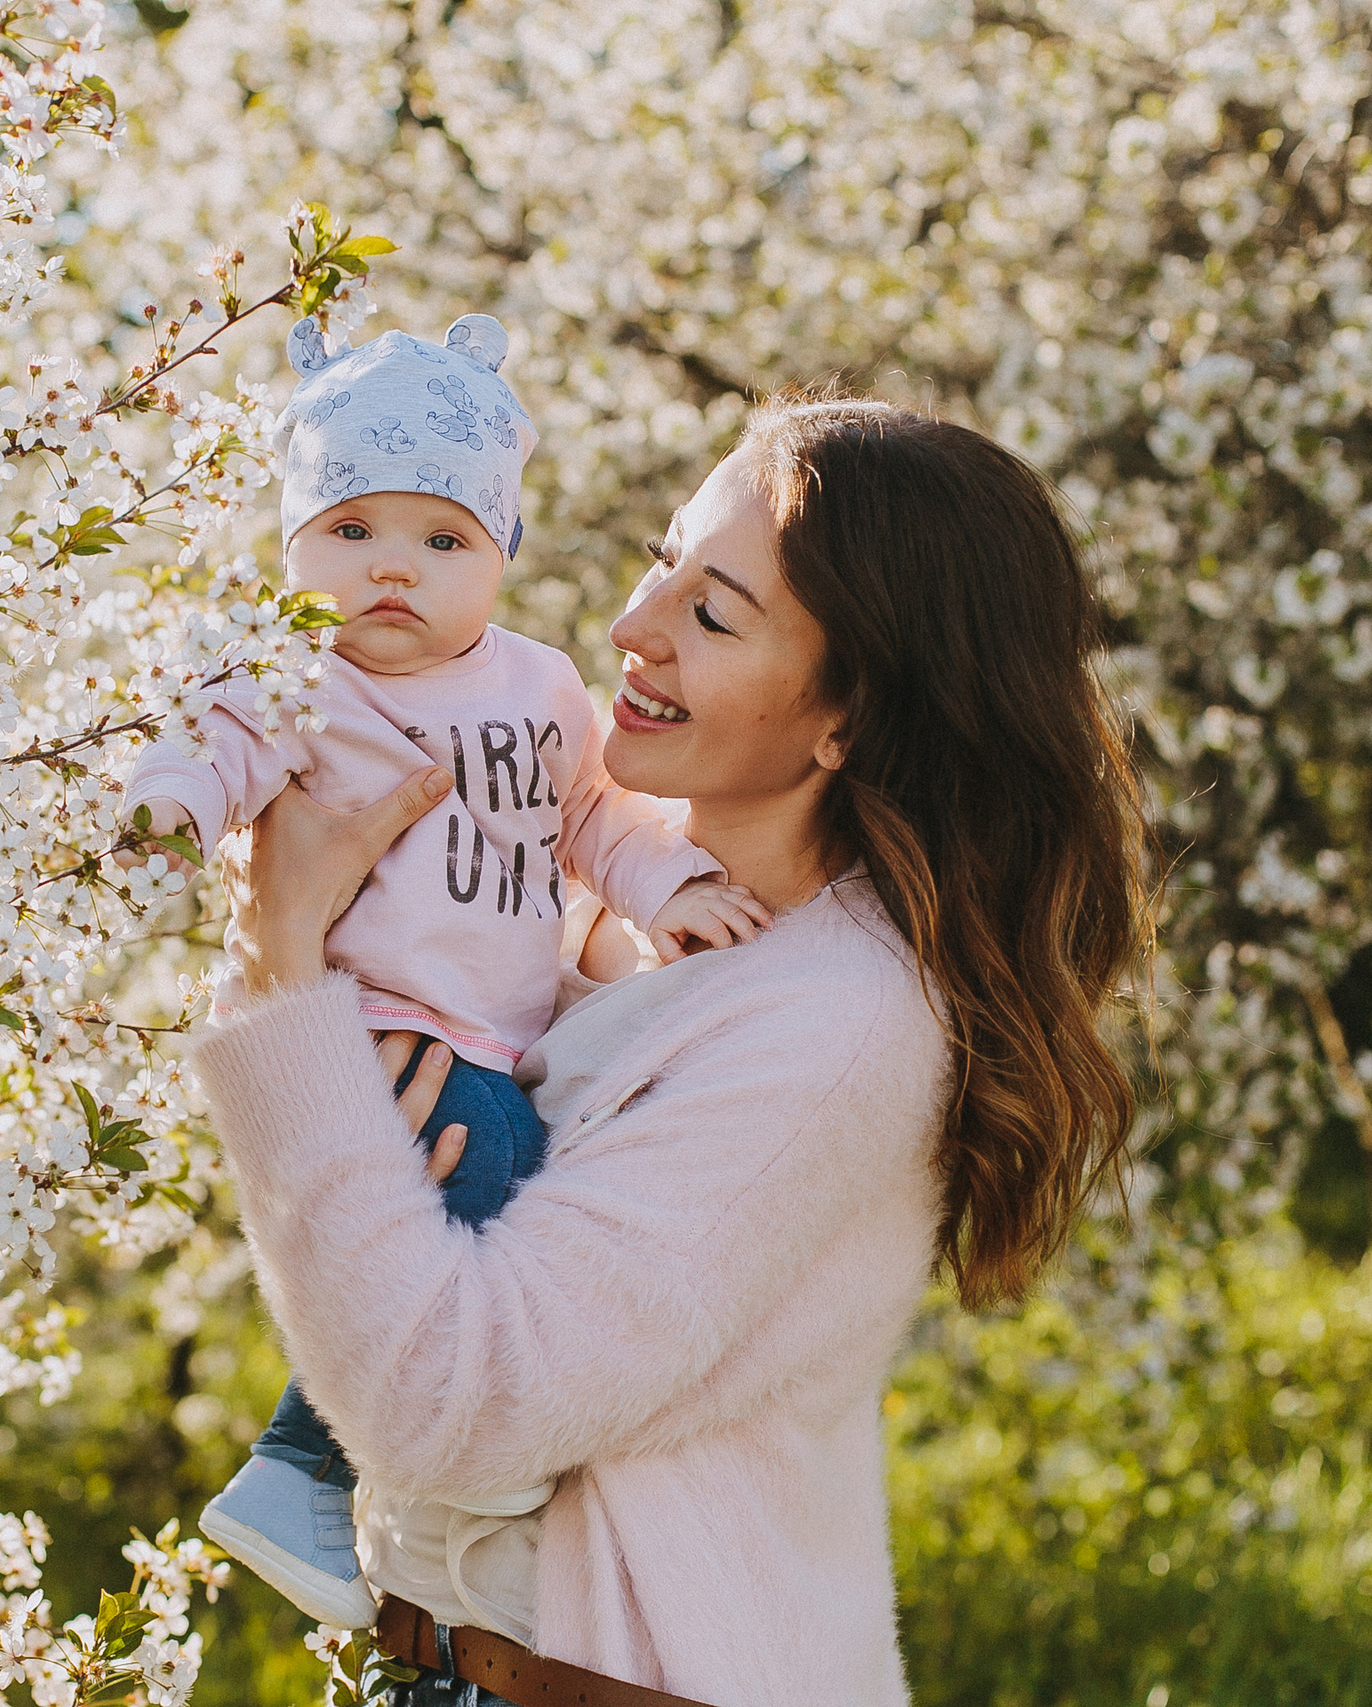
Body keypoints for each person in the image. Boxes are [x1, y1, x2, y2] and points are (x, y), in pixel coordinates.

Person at [190, 395, 1151, 1705]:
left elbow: (460, 1411)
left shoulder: (834, 1025)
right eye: (661, 560)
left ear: (850, 720)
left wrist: (281, 968)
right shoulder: (591, 920)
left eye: (712, 614)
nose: (632, 630)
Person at [117, 313, 766, 1626]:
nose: (392, 572)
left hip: (492, 1027)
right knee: (478, 1175)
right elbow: (211, 738)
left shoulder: (538, 685)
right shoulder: (289, 672)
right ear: (294, 546)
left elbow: (597, 821)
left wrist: (679, 886)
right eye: (350, 532)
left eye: (442, 538)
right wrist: (170, 805)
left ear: (501, 554)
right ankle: (312, 1466)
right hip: (371, 1022)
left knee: (501, 1186)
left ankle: (362, 1463)